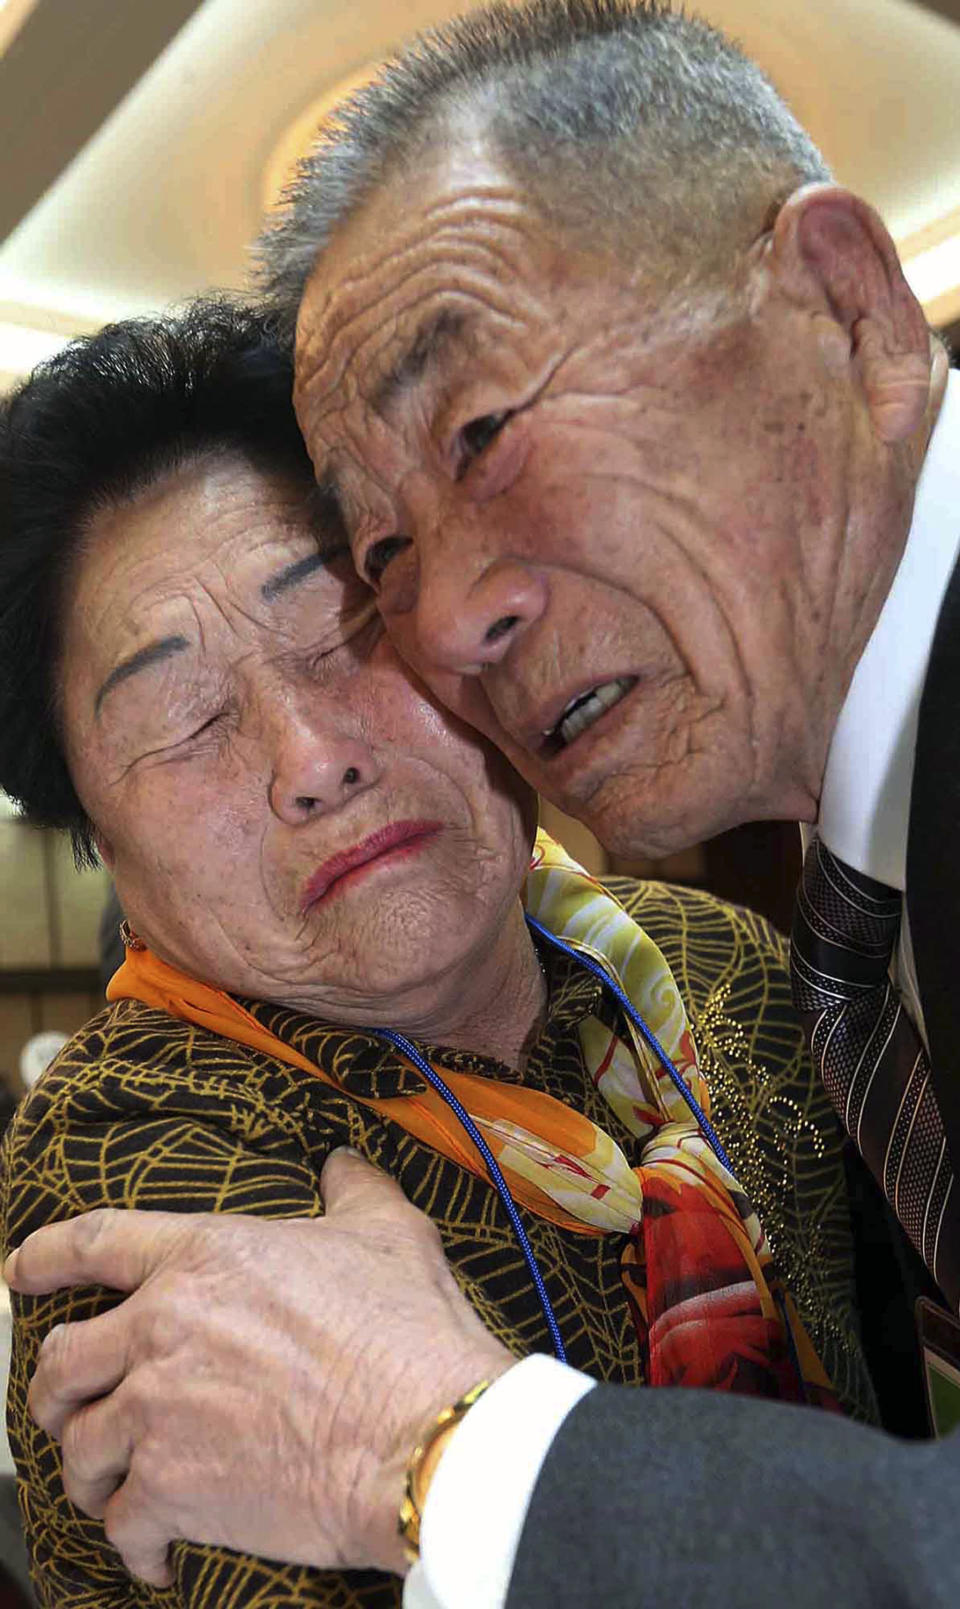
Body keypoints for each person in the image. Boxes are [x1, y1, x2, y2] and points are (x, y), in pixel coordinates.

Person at [6, 4, 960, 1606]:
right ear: (104, 847)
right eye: (182, 720)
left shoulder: (724, 964)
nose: (313, 751)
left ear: (847, 304)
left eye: (347, 619)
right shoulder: (143, 1165)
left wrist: (442, 1451)